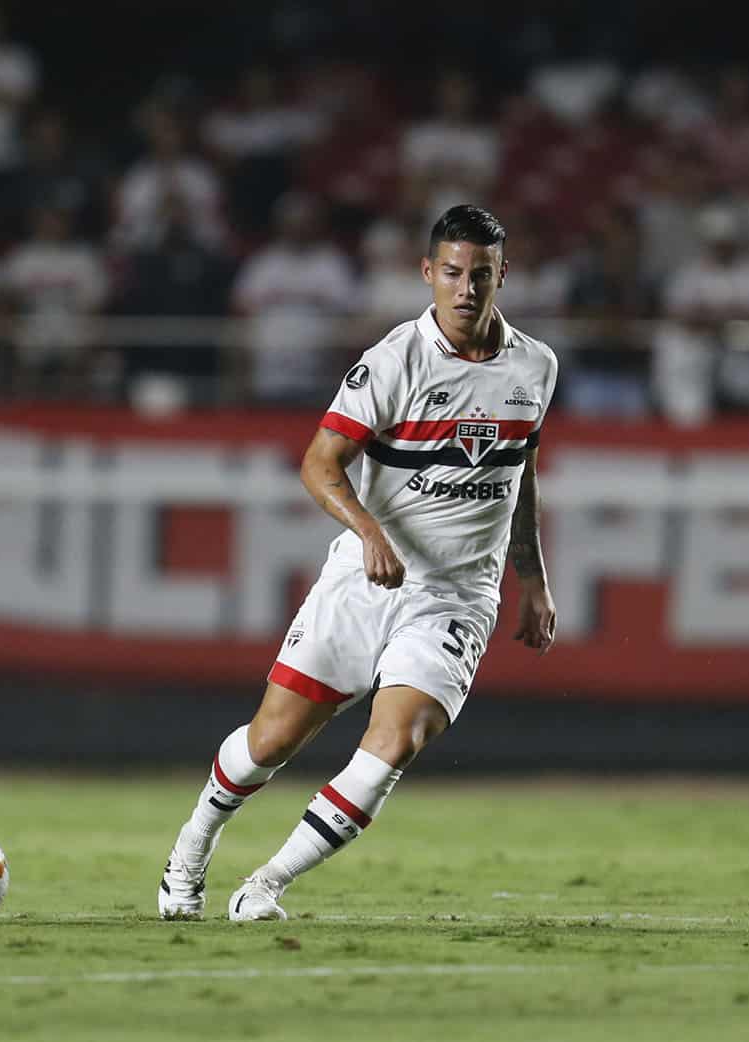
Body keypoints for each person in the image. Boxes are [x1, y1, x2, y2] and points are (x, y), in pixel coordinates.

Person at [156, 204, 559, 921]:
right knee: (269, 741)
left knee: (397, 736)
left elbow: (519, 471)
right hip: (365, 578)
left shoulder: (535, 366)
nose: (468, 289)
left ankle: (266, 884)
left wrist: (531, 576)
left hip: (457, 596)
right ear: (428, 273)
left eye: (483, 275)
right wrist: (369, 532)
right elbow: (318, 462)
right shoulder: (393, 361)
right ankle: (190, 850)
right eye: (454, 273)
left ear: (505, 276)